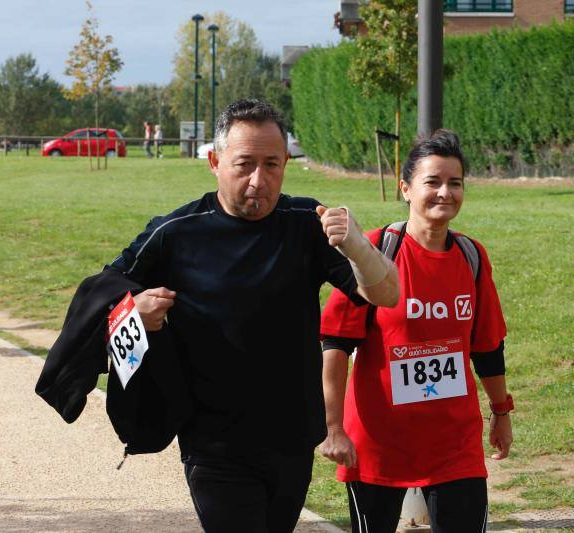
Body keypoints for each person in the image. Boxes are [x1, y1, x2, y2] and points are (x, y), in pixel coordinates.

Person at [108, 98, 399, 533]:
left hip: (292, 437)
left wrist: (357, 247)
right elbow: (101, 298)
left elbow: (387, 294)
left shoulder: (305, 221)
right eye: (244, 165)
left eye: (273, 165)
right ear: (214, 161)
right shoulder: (175, 233)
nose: (259, 181)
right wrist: (134, 313)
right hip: (212, 442)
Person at [318, 130, 512, 533]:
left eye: (455, 183)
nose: (445, 192)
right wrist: (333, 428)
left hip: (453, 443)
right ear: (405, 188)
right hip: (378, 444)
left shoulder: (472, 257)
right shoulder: (374, 251)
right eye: (433, 182)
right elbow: (335, 343)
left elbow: (488, 347)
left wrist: (501, 412)